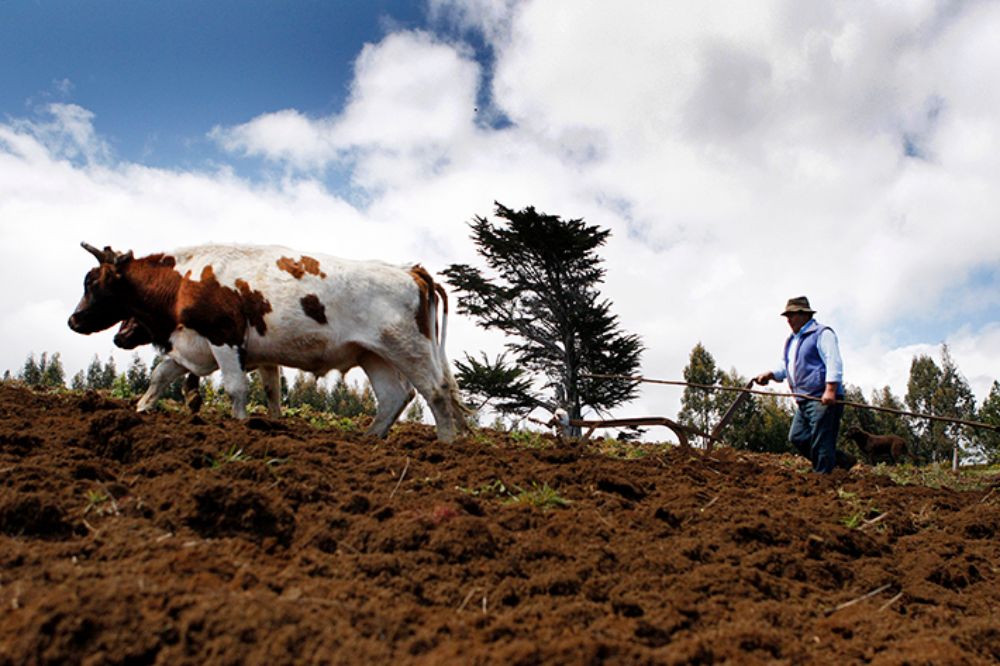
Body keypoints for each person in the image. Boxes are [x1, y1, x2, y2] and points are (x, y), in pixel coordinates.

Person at [755, 296, 854, 473]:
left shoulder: (822, 333)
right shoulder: (792, 341)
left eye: (792, 315)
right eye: (787, 316)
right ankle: (840, 461)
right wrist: (770, 374)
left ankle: (823, 478)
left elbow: (834, 361)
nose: (788, 320)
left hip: (822, 397)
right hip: (804, 398)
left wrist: (830, 390)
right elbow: (786, 366)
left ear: (804, 314)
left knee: (821, 440)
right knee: (798, 437)